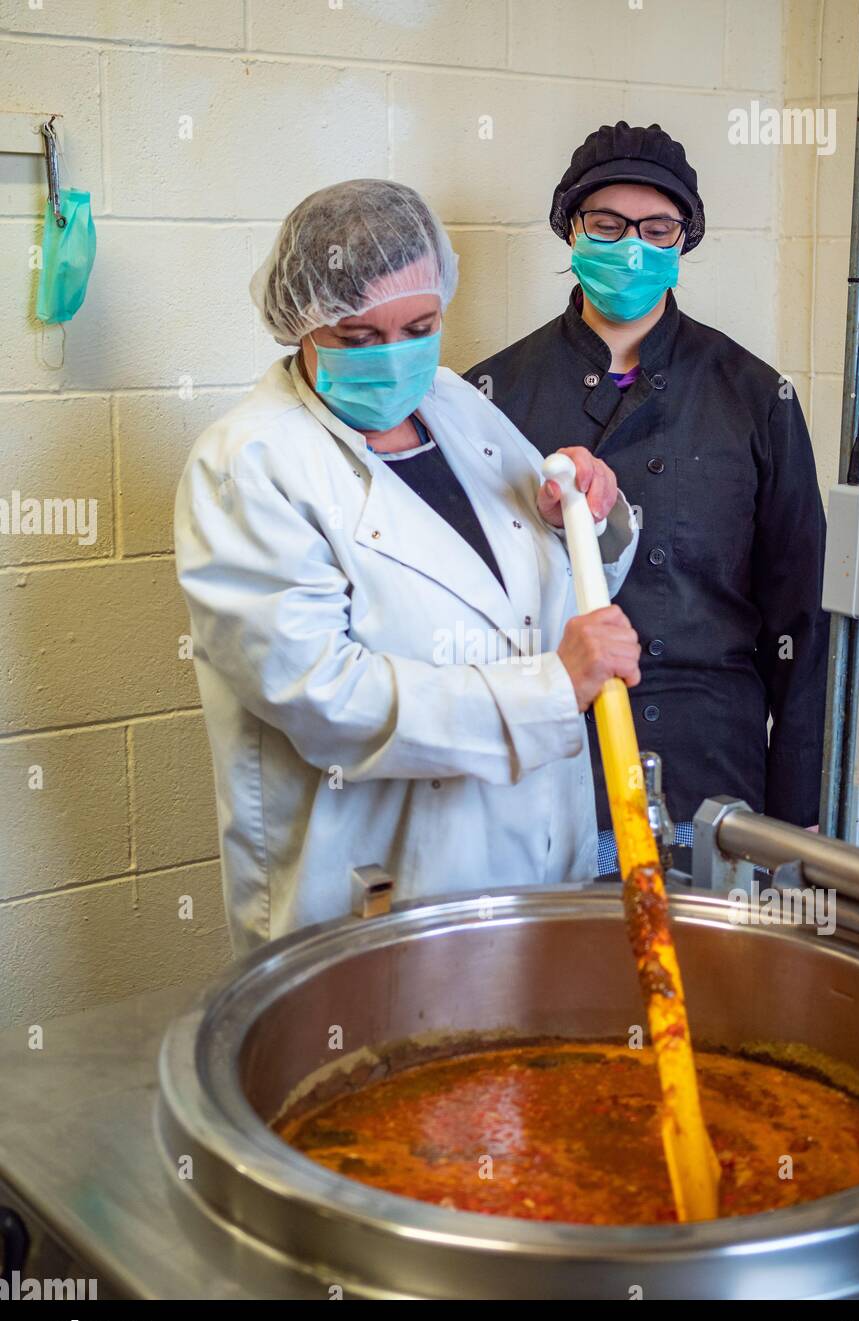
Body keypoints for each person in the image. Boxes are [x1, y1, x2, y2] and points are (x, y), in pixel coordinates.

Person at [174, 179, 640, 952]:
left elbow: (547, 596)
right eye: (359, 339)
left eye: (419, 326)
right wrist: (550, 688)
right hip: (377, 895)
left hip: (536, 861)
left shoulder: (457, 405)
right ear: (303, 325)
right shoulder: (250, 464)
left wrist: (588, 524)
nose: (395, 358)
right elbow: (323, 697)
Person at [467, 122, 829, 875]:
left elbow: (799, 613)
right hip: (555, 768)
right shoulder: (490, 396)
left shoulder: (756, 395)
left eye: (654, 226)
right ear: (571, 230)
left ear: (681, 240)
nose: (630, 244)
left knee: (709, 986)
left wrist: (796, 821)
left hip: (714, 777)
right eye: (607, 224)